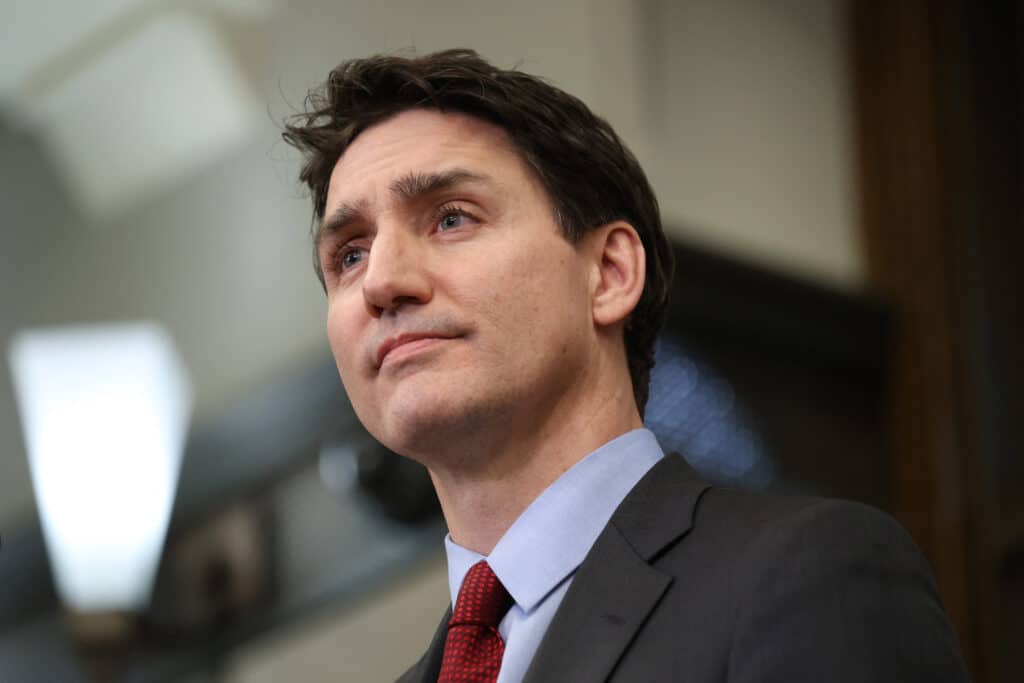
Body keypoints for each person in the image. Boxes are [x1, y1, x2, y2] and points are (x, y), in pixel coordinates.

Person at [283, 49, 967, 683]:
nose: (380, 281)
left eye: (452, 218)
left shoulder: (811, 574)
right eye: (348, 255)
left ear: (609, 273)